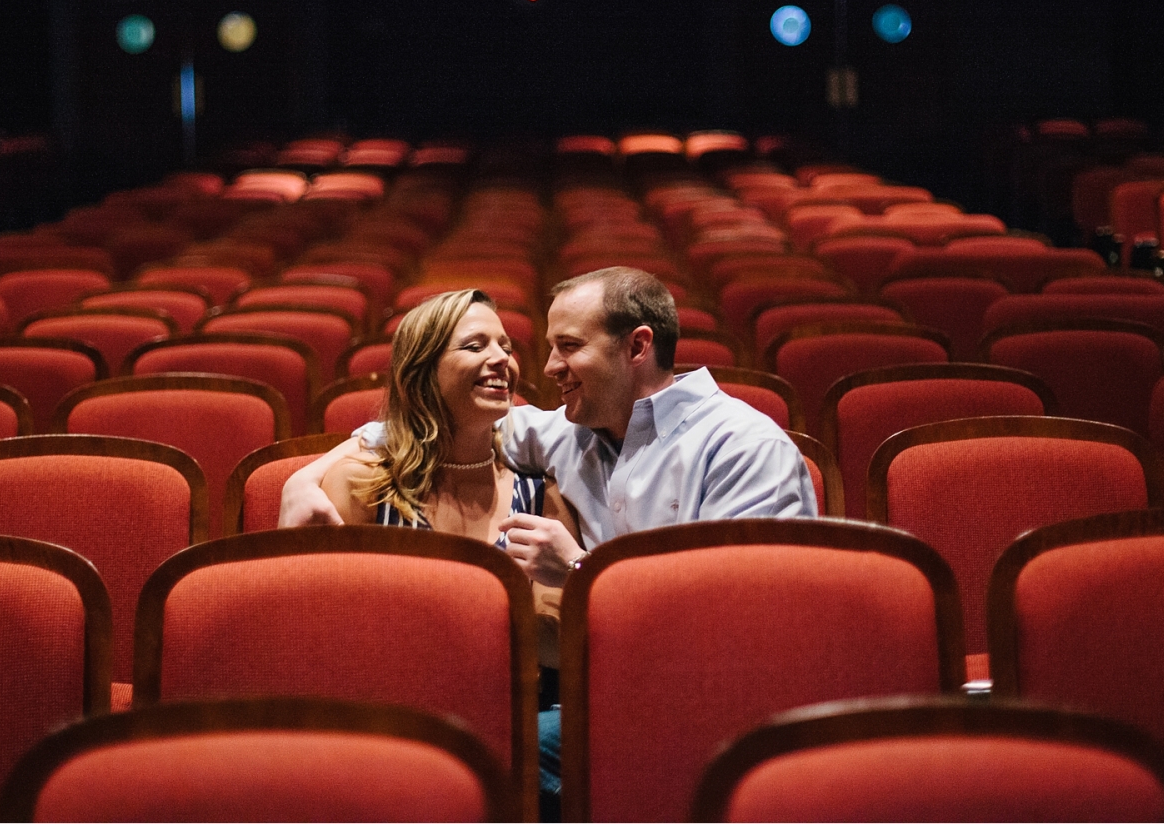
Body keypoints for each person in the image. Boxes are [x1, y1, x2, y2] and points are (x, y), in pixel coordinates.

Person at [281, 268, 815, 820]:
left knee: (480, 750)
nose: (548, 367)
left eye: (568, 347)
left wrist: (581, 570)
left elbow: (745, 632)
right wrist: (304, 477)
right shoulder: (573, 432)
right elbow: (434, 420)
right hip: (611, 698)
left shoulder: (744, 450)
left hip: (720, 702)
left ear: (637, 346)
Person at [280, 288, 581, 671]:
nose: (501, 359)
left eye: (505, 347)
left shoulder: (542, 493)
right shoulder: (361, 485)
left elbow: (555, 650)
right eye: (475, 346)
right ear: (423, 371)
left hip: (517, 706)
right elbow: (323, 628)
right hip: (387, 702)